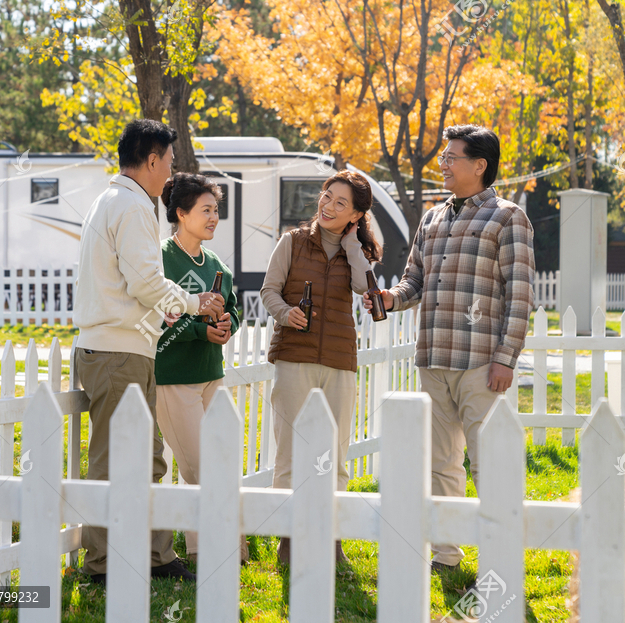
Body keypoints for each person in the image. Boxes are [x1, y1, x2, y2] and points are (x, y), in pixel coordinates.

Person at [363, 124, 535, 572]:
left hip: (481, 364)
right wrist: (391, 298)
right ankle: (446, 556)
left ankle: (500, 555)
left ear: (479, 165)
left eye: (451, 156)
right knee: (441, 464)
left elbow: (520, 295)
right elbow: (414, 279)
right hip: (432, 359)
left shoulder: (508, 217)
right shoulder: (432, 217)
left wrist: (505, 358)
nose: (442, 163)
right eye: (443, 156)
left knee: (488, 463)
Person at [73, 119, 225, 585]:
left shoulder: (111, 199)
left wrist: (164, 312)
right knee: (115, 459)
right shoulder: (134, 206)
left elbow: (130, 285)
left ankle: (157, 554)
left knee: (146, 455)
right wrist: (194, 302)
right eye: (170, 161)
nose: (171, 171)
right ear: (153, 159)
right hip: (117, 350)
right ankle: (101, 565)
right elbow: (145, 283)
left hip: (119, 346)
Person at [260, 170, 382, 566]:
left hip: (339, 360)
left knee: (335, 455)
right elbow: (269, 291)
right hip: (294, 356)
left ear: (356, 215)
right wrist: (285, 313)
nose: (327, 206)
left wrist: (351, 246)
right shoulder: (292, 243)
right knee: (291, 455)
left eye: (340, 203)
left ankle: (332, 543)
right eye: (326, 196)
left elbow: (368, 290)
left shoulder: (354, 250)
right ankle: (289, 543)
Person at [153, 172, 248, 565]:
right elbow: (156, 317)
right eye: (206, 210)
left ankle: (207, 548)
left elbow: (235, 308)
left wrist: (227, 327)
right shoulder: (159, 258)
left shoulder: (216, 262)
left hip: (213, 374)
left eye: (216, 210)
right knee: (198, 467)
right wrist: (198, 331)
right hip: (174, 378)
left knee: (220, 464)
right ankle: (218, 551)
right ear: (181, 213)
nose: (213, 217)